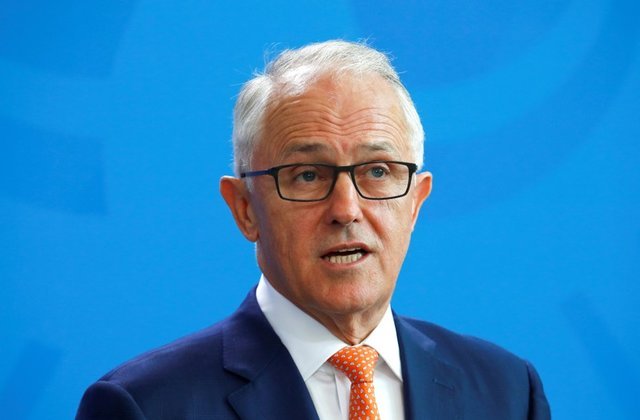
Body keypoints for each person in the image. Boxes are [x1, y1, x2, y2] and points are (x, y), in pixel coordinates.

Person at [76, 40, 551, 419]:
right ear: (244, 208)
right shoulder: (143, 405)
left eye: (378, 171)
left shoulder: (506, 391)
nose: (346, 210)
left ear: (415, 203)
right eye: (308, 176)